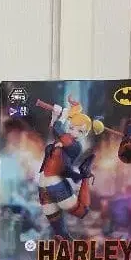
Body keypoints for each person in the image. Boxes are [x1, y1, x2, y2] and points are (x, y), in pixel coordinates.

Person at [38, 96, 104, 238]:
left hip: (48, 185)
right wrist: (56, 115)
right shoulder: (64, 140)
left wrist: (64, 114)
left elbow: (57, 129)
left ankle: (84, 175)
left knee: (68, 224)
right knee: (67, 224)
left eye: (80, 131)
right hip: (49, 186)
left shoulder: (74, 145)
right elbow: (55, 130)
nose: (74, 132)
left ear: (84, 134)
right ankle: (85, 174)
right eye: (72, 127)